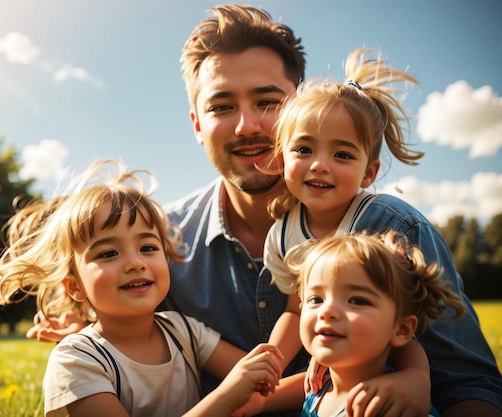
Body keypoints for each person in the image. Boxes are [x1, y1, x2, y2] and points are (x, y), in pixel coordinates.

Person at [27, 5, 502, 416]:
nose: (247, 125)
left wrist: (417, 379)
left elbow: (469, 385)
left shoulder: (391, 228)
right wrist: (98, 328)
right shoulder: (158, 239)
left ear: (301, 108)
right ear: (197, 124)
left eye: (267, 101)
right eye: (221, 106)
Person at [0, 159, 294, 417]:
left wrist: (332, 384)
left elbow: (264, 387)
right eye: (109, 253)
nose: (135, 262)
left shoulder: (185, 331)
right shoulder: (78, 360)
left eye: (147, 247)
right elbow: (237, 390)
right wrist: (226, 396)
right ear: (75, 287)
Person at [263, 47, 502, 415]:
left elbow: (431, 342)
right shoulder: (282, 236)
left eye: (342, 155)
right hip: (352, 377)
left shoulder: (389, 224)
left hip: (438, 380)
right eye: (304, 149)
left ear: (369, 173)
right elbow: (296, 311)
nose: (321, 165)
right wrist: (270, 367)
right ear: (282, 161)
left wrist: (415, 377)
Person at [234, 230, 467, 417]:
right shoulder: (324, 388)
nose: (328, 311)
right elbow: (309, 391)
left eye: (357, 300)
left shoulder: (382, 405)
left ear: (402, 329)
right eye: (316, 299)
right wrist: (262, 401)